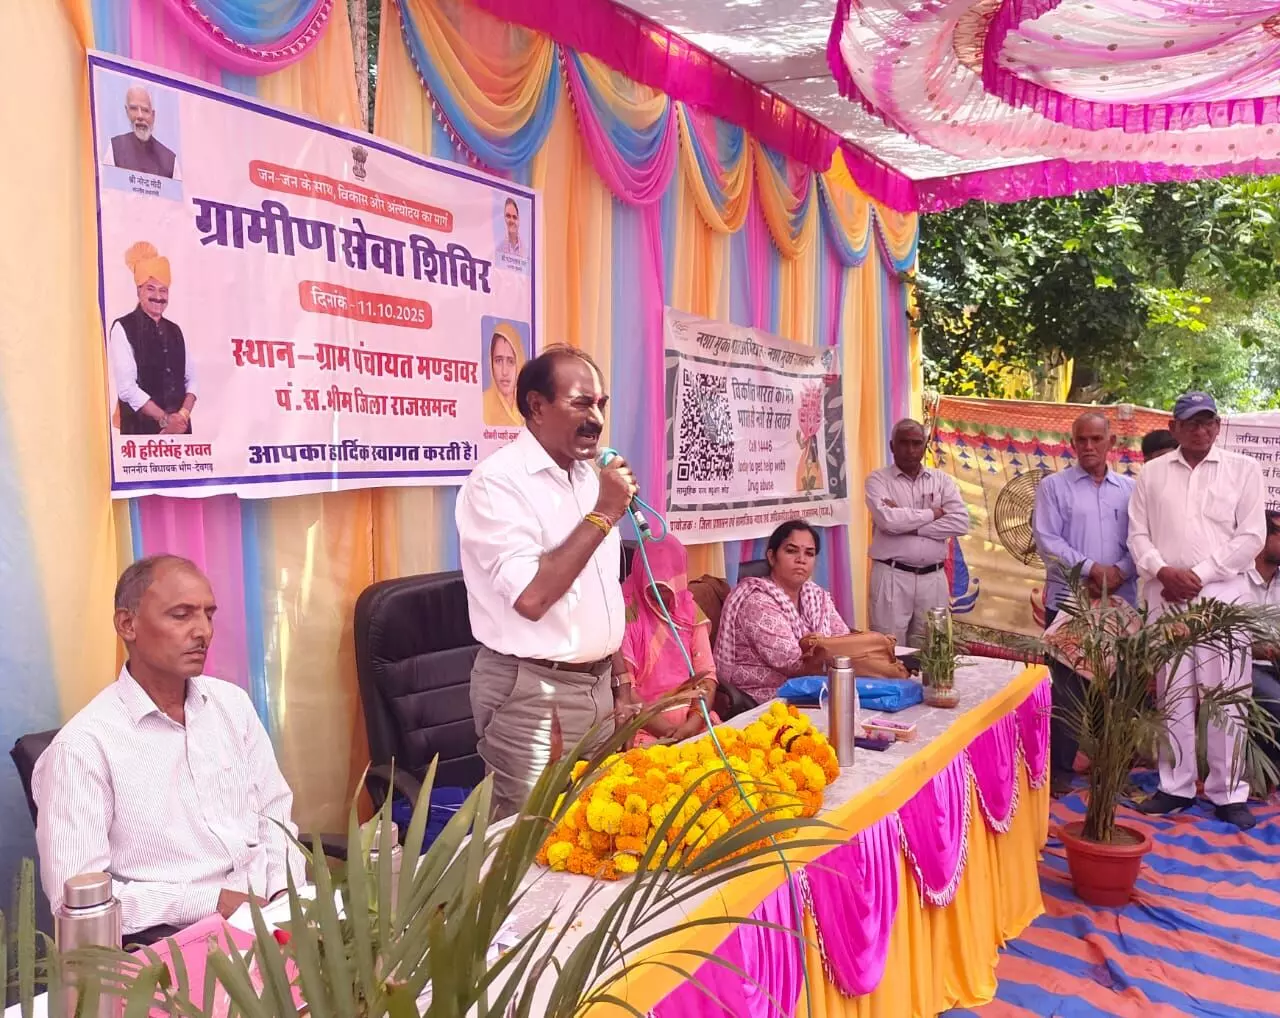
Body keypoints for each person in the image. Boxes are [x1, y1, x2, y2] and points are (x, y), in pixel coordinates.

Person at [33, 556, 303, 937]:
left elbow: (274, 813)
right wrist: (210, 901)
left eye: (208, 615)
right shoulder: (83, 747)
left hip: (275, 916)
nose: (203, 631)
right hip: (179, 940)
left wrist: (282, 891)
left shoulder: (232, 705)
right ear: (127, 624)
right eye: (181, 615)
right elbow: (76, 901)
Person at [456, 345, 637, 818]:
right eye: (581, 403)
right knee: (531, 840)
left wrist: (621, 679)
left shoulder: (590, 479)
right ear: (536, 406)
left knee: (598, 833)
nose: (597, 419)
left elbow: (602, 590)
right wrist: (605, 513)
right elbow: (532, 598)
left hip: (599, 688)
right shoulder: (497, 483)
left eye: (602, 404)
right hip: (533, 694)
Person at [1128, 391, 1266, 829]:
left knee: (1227, 695)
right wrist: (1162, 571)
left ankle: (1229, 792)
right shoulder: (1151, 474)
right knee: (1174, 694)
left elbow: (1251, 537)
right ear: (1174, 428)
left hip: (1221, 601)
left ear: (1218, 426)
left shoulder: (1243, 470)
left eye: (1208, 422)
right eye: (1190, 423)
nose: (1200, 430)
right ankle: (1176, 786)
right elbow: (1137, 536)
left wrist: (1199, 575)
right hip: (1167, 598)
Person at [1032, 411, 1137, 796]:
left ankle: (1112, 772)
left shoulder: (1130, 490)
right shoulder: (1053, 487)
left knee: (1118, 692)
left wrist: (1120, 571)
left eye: (1096, 439)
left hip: (1120, 606)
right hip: (1070, 605)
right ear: (1072, 443)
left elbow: (1141, 540)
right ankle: (1060, 771)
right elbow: (1048, 541)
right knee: (1067, 693)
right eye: (1082, 440)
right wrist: (1093, 570)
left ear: (1112, 443)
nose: (1089, 446)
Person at [714, 520, 850, 705]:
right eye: (791, 551)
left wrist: (841, 653)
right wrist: (836, 656)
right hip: (768, 696)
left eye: (809, 553)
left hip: (813, 687)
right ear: (772, 557)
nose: (801, 559)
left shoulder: (816, 596)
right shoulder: (757, 601)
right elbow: (792, 662)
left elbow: (844, 640)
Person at [864, 418, 969, 645]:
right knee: (888, 648)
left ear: (925, 445)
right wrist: (934, 513)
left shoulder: (941, 481)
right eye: (903, 443)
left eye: (916, 443)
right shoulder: (878, 480)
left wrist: (911, 526)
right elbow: (888, 521)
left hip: (934, 579)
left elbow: (961, 523)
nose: (910, 450)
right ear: (892, 446)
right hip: (892, 576)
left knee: (934, 649)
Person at [615, 535, 718, 743]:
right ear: (640, 570)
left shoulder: (689, 610)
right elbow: (626, 690)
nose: (661, 580)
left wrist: (693, 724)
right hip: (643, 728)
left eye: (669, 574)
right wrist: (669, 732)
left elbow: (707, 675)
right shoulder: (624, 614)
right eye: (654, 573)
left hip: (695, 723)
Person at [110, 242, 196, 435]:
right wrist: (165, 420)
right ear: (138, 291)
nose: (158, 296)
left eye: (163, 290)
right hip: (142, 436)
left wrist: (182, 416)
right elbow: (127, 388)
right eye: (151, 289)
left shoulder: (175, 330)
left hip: (180, 434)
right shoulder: (123, 328)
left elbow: (192, 380)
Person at [1244, 510, 1280, 767]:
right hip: (1245, 667)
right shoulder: (1236, 580)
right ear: (1262, 536)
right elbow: (1218, 636)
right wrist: (1260, 650)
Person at [102, 85, 182, 179]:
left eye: (145, 110)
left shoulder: (170, 160)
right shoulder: (115, 148)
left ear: (153, 116)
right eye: (134, 109)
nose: (140, 116)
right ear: (127, 112)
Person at [481, 323, 526, 426]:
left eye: (511, 361)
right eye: (498, 361)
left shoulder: (528, 406)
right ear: (491, 363)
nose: (504, 371)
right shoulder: (483, 404)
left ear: (519, 363)